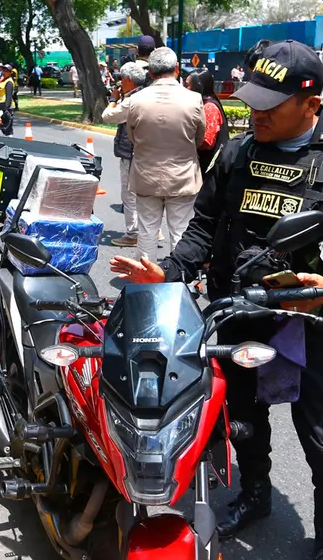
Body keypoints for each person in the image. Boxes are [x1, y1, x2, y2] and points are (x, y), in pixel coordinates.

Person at [110, 39, 323, 557]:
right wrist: (170, 269)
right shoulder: (238, 151)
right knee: (242, 417)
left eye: (270, 106)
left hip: (310, 319)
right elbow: (204, 224)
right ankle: (253, 494)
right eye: (251, 102)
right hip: (239, 305)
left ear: (312, 104)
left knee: (318, 430)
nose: (255, 114)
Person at [124, 47, 205, 261]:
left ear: (150, 73)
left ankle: (145, 277)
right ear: (177, 69)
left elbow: (133, 137)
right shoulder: (194, 98)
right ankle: (179, 280)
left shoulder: (136, 100)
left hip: (146, 176)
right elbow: (198, 139)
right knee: (180, 231)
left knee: (147, 231)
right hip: (182, 176)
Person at [102, 61, 148, 248]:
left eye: (121, 79)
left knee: (129, 195)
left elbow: (108, 116)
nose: (119, 83)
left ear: (128, 80)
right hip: (146, 152)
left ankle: (133, 234)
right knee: (144, 196)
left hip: (131, 153)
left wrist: (113, 99)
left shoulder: (131, 101)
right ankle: (149, 231)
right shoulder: (145, 95)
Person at [185, 68, 230, 178]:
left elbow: (207, 142)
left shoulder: (209, 107)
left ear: (198, 87)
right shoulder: (203, 104)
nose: (185, 89)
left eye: (188, 85)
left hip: (209, 168)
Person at [0, 64, 17, 136]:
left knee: (7, 129)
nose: (4, 72)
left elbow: (9, 97)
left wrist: (4, 110)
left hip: (6, 107)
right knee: (3, 128)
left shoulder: (9, 82)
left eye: (6, 71)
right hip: (1, 106)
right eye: (3, 70)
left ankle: (10, 142)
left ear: (10, 73)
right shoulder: (3, 80)